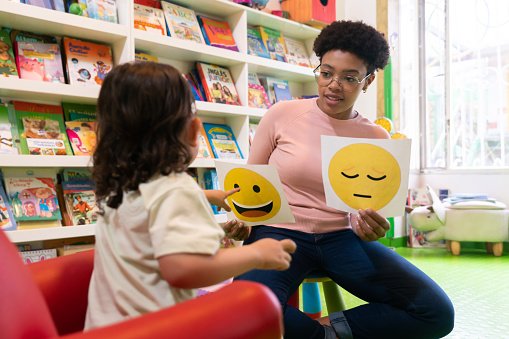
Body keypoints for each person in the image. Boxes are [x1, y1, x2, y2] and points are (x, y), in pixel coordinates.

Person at [224, 20, 454, 339]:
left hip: (343, 238)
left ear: (368, 81)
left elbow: (368, 205)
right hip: (278, 232)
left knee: (436, 313)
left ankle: (328, 331)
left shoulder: (376, 136)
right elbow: (250, 186)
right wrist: (242, 220)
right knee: (243, 311)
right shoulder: (281, 114)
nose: (334, 85)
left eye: (349, 78)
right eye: (327, 72)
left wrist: (370, 226)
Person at [84, 61, 296, 330]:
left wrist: (207, 195)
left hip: (106, 329)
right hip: (157, 330)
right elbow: (183, 268)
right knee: (258, 307)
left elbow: (147, 211)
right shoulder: (177, 190)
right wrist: (256, 254)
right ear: (194, 131)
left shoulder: (121, 185)